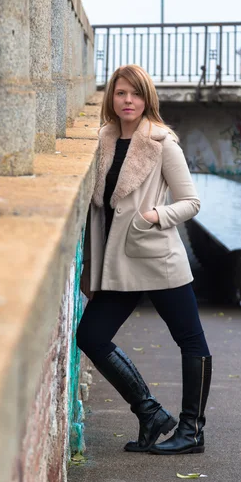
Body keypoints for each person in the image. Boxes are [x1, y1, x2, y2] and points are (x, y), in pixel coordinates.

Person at [76, 64, 212, 455]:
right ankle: (150, 413)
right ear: (112, 98)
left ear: (146, 98)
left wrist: (155, 216)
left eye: (135, 94)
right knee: (91, 336)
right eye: (121, 93)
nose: (128, 101)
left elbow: (191, 202)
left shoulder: (162, 141)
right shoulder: (100, 139)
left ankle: (192, 432)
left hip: (157, 258)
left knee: (190, 340)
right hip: (119, 262)